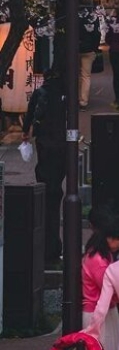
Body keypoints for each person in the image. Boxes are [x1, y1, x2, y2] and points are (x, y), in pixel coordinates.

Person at [21, 68, 66, 266]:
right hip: (61, 142)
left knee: (46, 177)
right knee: (55, 188)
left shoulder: (41, 93)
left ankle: (49, 247)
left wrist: (26, 132)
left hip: (45, 141)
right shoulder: (64, 94)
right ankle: (54, 246)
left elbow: (31, 112)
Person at [81, 213, 119, 350]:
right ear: (110, 238)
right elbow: (110, 289)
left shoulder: (100, 254)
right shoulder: (99, 261)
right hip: (99, 315)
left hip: (105, 312)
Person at [79, 0, 101, 109]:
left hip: (75, 48)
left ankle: (74, 98)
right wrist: (95, 48)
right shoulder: (93, 17)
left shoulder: (75, 15)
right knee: (85, 76)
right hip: (89, 49)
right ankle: (83, 101)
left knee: (74, 75)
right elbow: (97, 34)